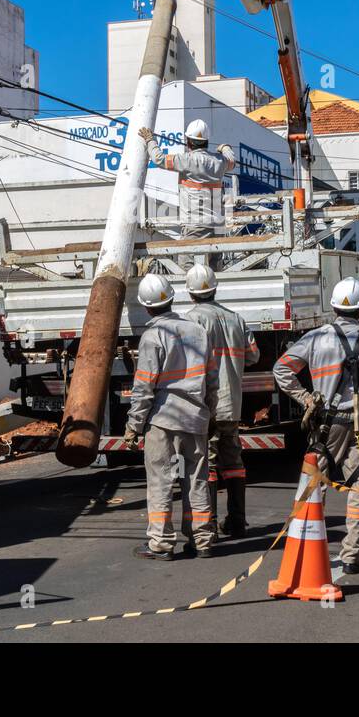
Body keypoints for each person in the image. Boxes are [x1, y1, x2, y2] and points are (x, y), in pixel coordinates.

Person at [272, 277, 359, 574]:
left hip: (326, 425)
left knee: (313, 485)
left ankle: (307, 550)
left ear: (333, 307)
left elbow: (281, 369)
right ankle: (352, 555)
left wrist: (306, 399)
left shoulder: (315, 338)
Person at [124, 274, 219, 560]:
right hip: (196, 417)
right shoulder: (197, 331)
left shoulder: (153, 336)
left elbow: (144, 386)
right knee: (197, 478)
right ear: (172, 298)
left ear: (146, 307)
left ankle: (161, 544)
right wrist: (209, 412)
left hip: (164, 420)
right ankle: (202, 540)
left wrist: (134, 426)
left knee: (161, 481)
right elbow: (212, 380)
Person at [183, 263, 259, 537]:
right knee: (234, 464)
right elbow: (254, 355)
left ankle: (210, 524)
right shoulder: (236, 318)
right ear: (215, 289)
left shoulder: (191, 320)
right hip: (233, 407)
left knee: (209, 466)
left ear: (189, 292)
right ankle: (237, 521)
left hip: (208, 408)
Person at [137, 119, 236, 269]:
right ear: (206, 141)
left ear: (188, 141)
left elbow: (159, 159)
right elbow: (232, 161)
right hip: (217, 225)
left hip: (195, 225)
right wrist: (225, 148)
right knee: (214, 271)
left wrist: (150, 140)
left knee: (188, 270)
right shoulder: (219, 161)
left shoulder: (186, 160)